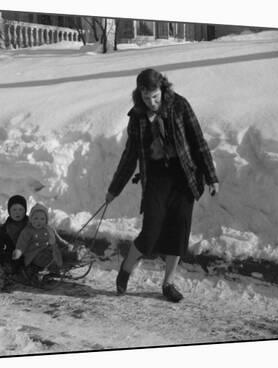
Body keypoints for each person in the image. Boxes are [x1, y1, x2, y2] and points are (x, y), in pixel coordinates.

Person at [105, 68, 219, 302]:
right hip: (156, 179)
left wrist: (211, 176)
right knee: (151, 232)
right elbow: (130, 156)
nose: (152, 102)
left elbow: (198, 141)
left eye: (155, 96)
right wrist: (114, 189)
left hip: (184, 177)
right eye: (146, 98)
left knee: (179, 231)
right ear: (140, 95)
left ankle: (168, 283)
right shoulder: (137, 116)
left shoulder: (180, 105)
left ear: (163, 89)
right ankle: (127, 267)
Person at [13, 203, 82, 277]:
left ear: (46, 220)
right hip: (35, 255)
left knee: (62, 253)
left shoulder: (49, 229)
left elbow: (58, 240)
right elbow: (22, 244)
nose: (38, 221)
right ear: (31, 219)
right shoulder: (28, 231)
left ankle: (76, 255)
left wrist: (67, 245)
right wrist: (17, 253)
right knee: (51, 259)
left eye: (42, 219)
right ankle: (56, 267)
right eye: (35, 218)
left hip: (49, 250)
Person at [0, 195, 29, 283]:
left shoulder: (30, 224)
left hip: (28, 253)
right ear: (9, 211)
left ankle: (28, 272)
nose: (17, 213)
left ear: (25, 211)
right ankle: (9, 271)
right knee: (11, 266)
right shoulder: (6, 227)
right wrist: (0, 256)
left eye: (20, 210)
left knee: (29, 267)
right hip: (12, 254)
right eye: (14, 210)